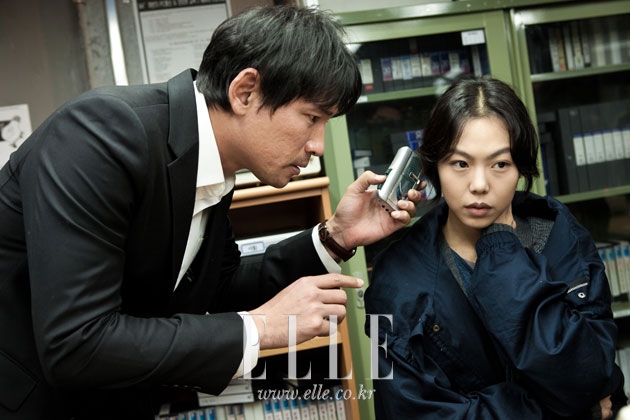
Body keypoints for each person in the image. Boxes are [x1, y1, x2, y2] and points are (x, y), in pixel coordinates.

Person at [0, 6, 422, 419]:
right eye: (311, 117)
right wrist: (259, 327)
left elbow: (219, 288)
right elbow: (76, 342)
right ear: (245, 91)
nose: (317, 145)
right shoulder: (101, 133)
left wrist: (336, 237)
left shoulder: (212, 165)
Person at [365, 77, 626, 419]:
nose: (479, 185)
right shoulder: (394, 278)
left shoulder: (557, 232)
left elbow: (593, 376)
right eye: (460, 163)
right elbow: (408, 412)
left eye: (500, 164)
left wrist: (501, 249)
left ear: (520, 168)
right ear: (435, 168)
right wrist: (560, 413)